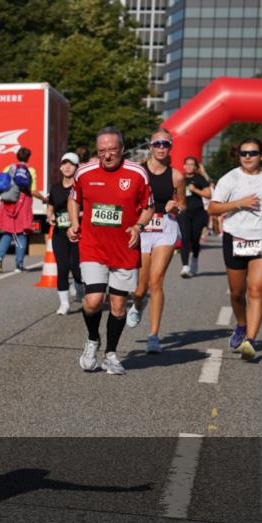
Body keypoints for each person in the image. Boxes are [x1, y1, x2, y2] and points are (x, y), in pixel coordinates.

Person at [68, 127, 154, 375]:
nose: (106, 155)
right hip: (93, 247)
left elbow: (149, 206)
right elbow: (73, 199)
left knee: (118, 306)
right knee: (93, 301)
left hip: (124, 249)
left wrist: (138, 226)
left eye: (112, 150)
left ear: (122, 149)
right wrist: (74, 223)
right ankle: (92, 339)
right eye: (102, 151)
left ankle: (111, 354)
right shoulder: (84, 172)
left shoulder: (138, 173)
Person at [207, 138, 262, 361]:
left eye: (252, 153)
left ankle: (250, 341)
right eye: (244, 153)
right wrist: (238, 203)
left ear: (261, 155)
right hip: (236, 237)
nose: (248, 157)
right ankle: (242, 325)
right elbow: (212, 208)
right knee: (236, 293)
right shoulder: (230, 178)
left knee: (256, 289)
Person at [125, 129, 186, 354]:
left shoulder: (176, 176)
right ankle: (138, 303)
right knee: (139, 289)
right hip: (142, 228)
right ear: (150, 146)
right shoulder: (137, 171)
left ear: (170, 147)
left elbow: (183, 205)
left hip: (165, 228)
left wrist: (175, 208)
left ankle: (153, 336)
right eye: (157, 144)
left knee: (156, 281)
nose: (161, 148)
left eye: (165, 144)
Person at [0, 147, 43, 273]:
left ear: (17, 156)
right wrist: (44, 199)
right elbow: (32, 191)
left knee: (8, 233)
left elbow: (3, 184)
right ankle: (19, 265)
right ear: (28, 157)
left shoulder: (8, 168)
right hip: (23, 204)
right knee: (21, 234)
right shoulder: (30, 171)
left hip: (8, 203)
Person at [47, 152, 83, 315]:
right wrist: (50, 216)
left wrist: (76, 215)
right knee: (62, 268)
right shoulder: (55, 188)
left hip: (77, 234)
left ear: (77, 167)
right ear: (60, 167)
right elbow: (50, 207)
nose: (67, 167)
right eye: (64, 164)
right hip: (60, 234)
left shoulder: (81, 187)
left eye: (71, 164)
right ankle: (64, 304)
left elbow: (89, 209)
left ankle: (79, 286)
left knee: (76, 269)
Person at [178, 156, 212, 277]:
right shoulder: (180, 178)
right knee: (185, 239)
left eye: (192, 164)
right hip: (184, 212)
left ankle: (195, 260)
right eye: (187, 164)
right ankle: (185, 267)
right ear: (184, 166)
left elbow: (208, 194)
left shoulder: (199, 178)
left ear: (195, 167)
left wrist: (195, 190)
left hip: (198, 212)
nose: (189, 166)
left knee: (195, 240)